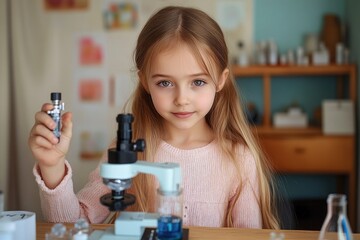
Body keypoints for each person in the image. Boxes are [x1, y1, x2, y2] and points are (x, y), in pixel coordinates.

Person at [29, 6, 280, 229]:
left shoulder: (238, 159)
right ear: (145, 82)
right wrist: (52, 167)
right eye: (165, 83)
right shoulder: (126, 154)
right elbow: (71, 227)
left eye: (198, 81)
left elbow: (249, 236)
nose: (182, 98)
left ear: (221, 80)